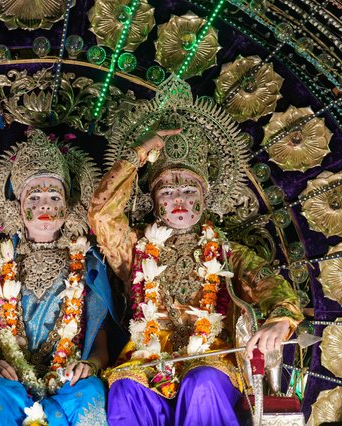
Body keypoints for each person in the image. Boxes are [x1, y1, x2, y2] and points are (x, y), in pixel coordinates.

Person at [88, 76, 304, 426]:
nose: (179, 200)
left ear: (205, 199)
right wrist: (137, 155)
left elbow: (272, 286)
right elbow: (101, 212)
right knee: (126, 388)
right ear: (154, 202)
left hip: (212, 359)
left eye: (189, 190)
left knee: (201, 384)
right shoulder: (135, 252)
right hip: (147, 360)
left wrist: (280, 320)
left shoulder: (228, 253)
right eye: (167, 192)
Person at [0, 129, 118, 425]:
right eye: (34, 195)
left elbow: (100, 345)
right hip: (7, 384)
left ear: (69, 207)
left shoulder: (89, 266)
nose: (44, 205)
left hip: (68, 383)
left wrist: (88, 366)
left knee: (90, 390)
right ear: (17, 205)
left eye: (54, 195)